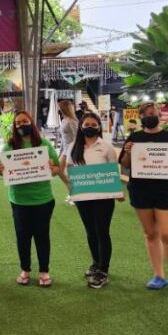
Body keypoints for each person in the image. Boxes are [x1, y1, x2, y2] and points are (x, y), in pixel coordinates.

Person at [119, 102, 168, 299]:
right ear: (140, 117)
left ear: (160, 116)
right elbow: (124, 165)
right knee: (150, 234)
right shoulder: (134, 138)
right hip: (141, 191)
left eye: (153, 113)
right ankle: (159, 275)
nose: (149, 116)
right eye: (145, 114)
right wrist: (127, 151)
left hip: (167, 192)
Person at [0, 111, 62, 287]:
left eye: (24, 121)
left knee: (42, 237)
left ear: (31, 123)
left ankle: (44, 271)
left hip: (43, 200)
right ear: (14, 126)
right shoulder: (9, 146)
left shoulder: (44, 144)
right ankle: (25, 270)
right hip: (19, 201)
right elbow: (1, 170)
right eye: (18, 123)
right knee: (22, 238)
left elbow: (57, 169)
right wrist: (1, 170)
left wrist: (51, 168)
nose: (21, 125)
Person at [60, 112, 121, 289]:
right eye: (86, 124)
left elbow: (113, 171)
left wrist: (117, 191)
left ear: (99, 127)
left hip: (103, 198)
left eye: (94, 125)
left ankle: (103, 271)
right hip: (82, 197)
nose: (90, 127)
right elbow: (70, 168)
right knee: (90, 231)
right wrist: (71, 188)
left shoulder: (107, 147)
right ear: (81, 127)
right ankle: (96, 263)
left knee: (102, 231)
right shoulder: (73, 146)